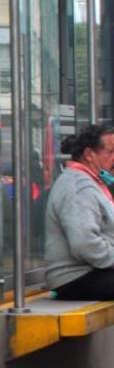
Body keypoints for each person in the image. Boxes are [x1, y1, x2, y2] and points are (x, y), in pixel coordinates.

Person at [41, 125, 114, 300]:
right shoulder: (78, 186)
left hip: (93, 271)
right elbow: (85, 244)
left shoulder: (93, 183)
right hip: (77, 277)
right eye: (111, 152)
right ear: (89, 154)